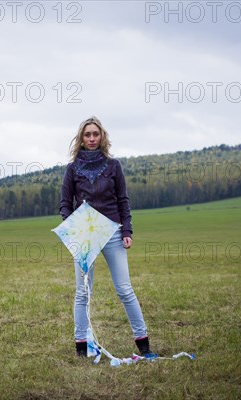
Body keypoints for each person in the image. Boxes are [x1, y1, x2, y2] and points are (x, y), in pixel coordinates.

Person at [59, 116, 152, 358]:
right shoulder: (71, 170)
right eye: (87, 135)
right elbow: (64, 204)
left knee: (124, 289)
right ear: (81, 138)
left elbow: (123, 200)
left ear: (102, 137)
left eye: (95, 134)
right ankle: (81, 347)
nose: (91, 138)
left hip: (112, 232)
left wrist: (127, 231)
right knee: (82, 293)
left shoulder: (114, 166)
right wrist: (73, 230)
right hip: (85, 235)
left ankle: (144, 345)